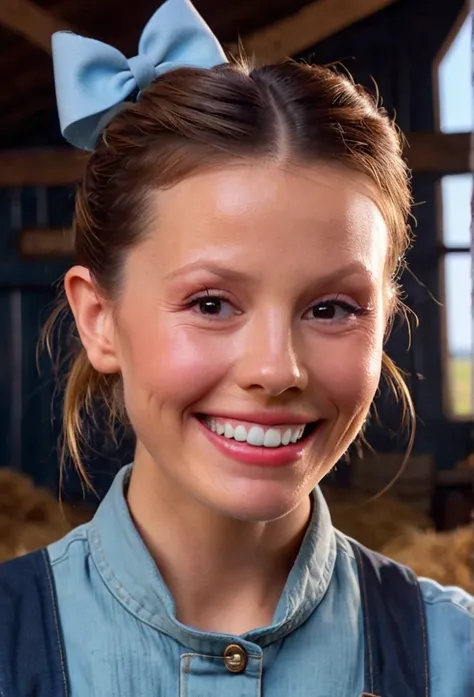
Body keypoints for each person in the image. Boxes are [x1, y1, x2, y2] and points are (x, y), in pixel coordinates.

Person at [0, 0, 472, 695]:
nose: (276, 370)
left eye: (332, 307)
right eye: (212, 303)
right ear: (99, 319)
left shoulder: (456, 656)